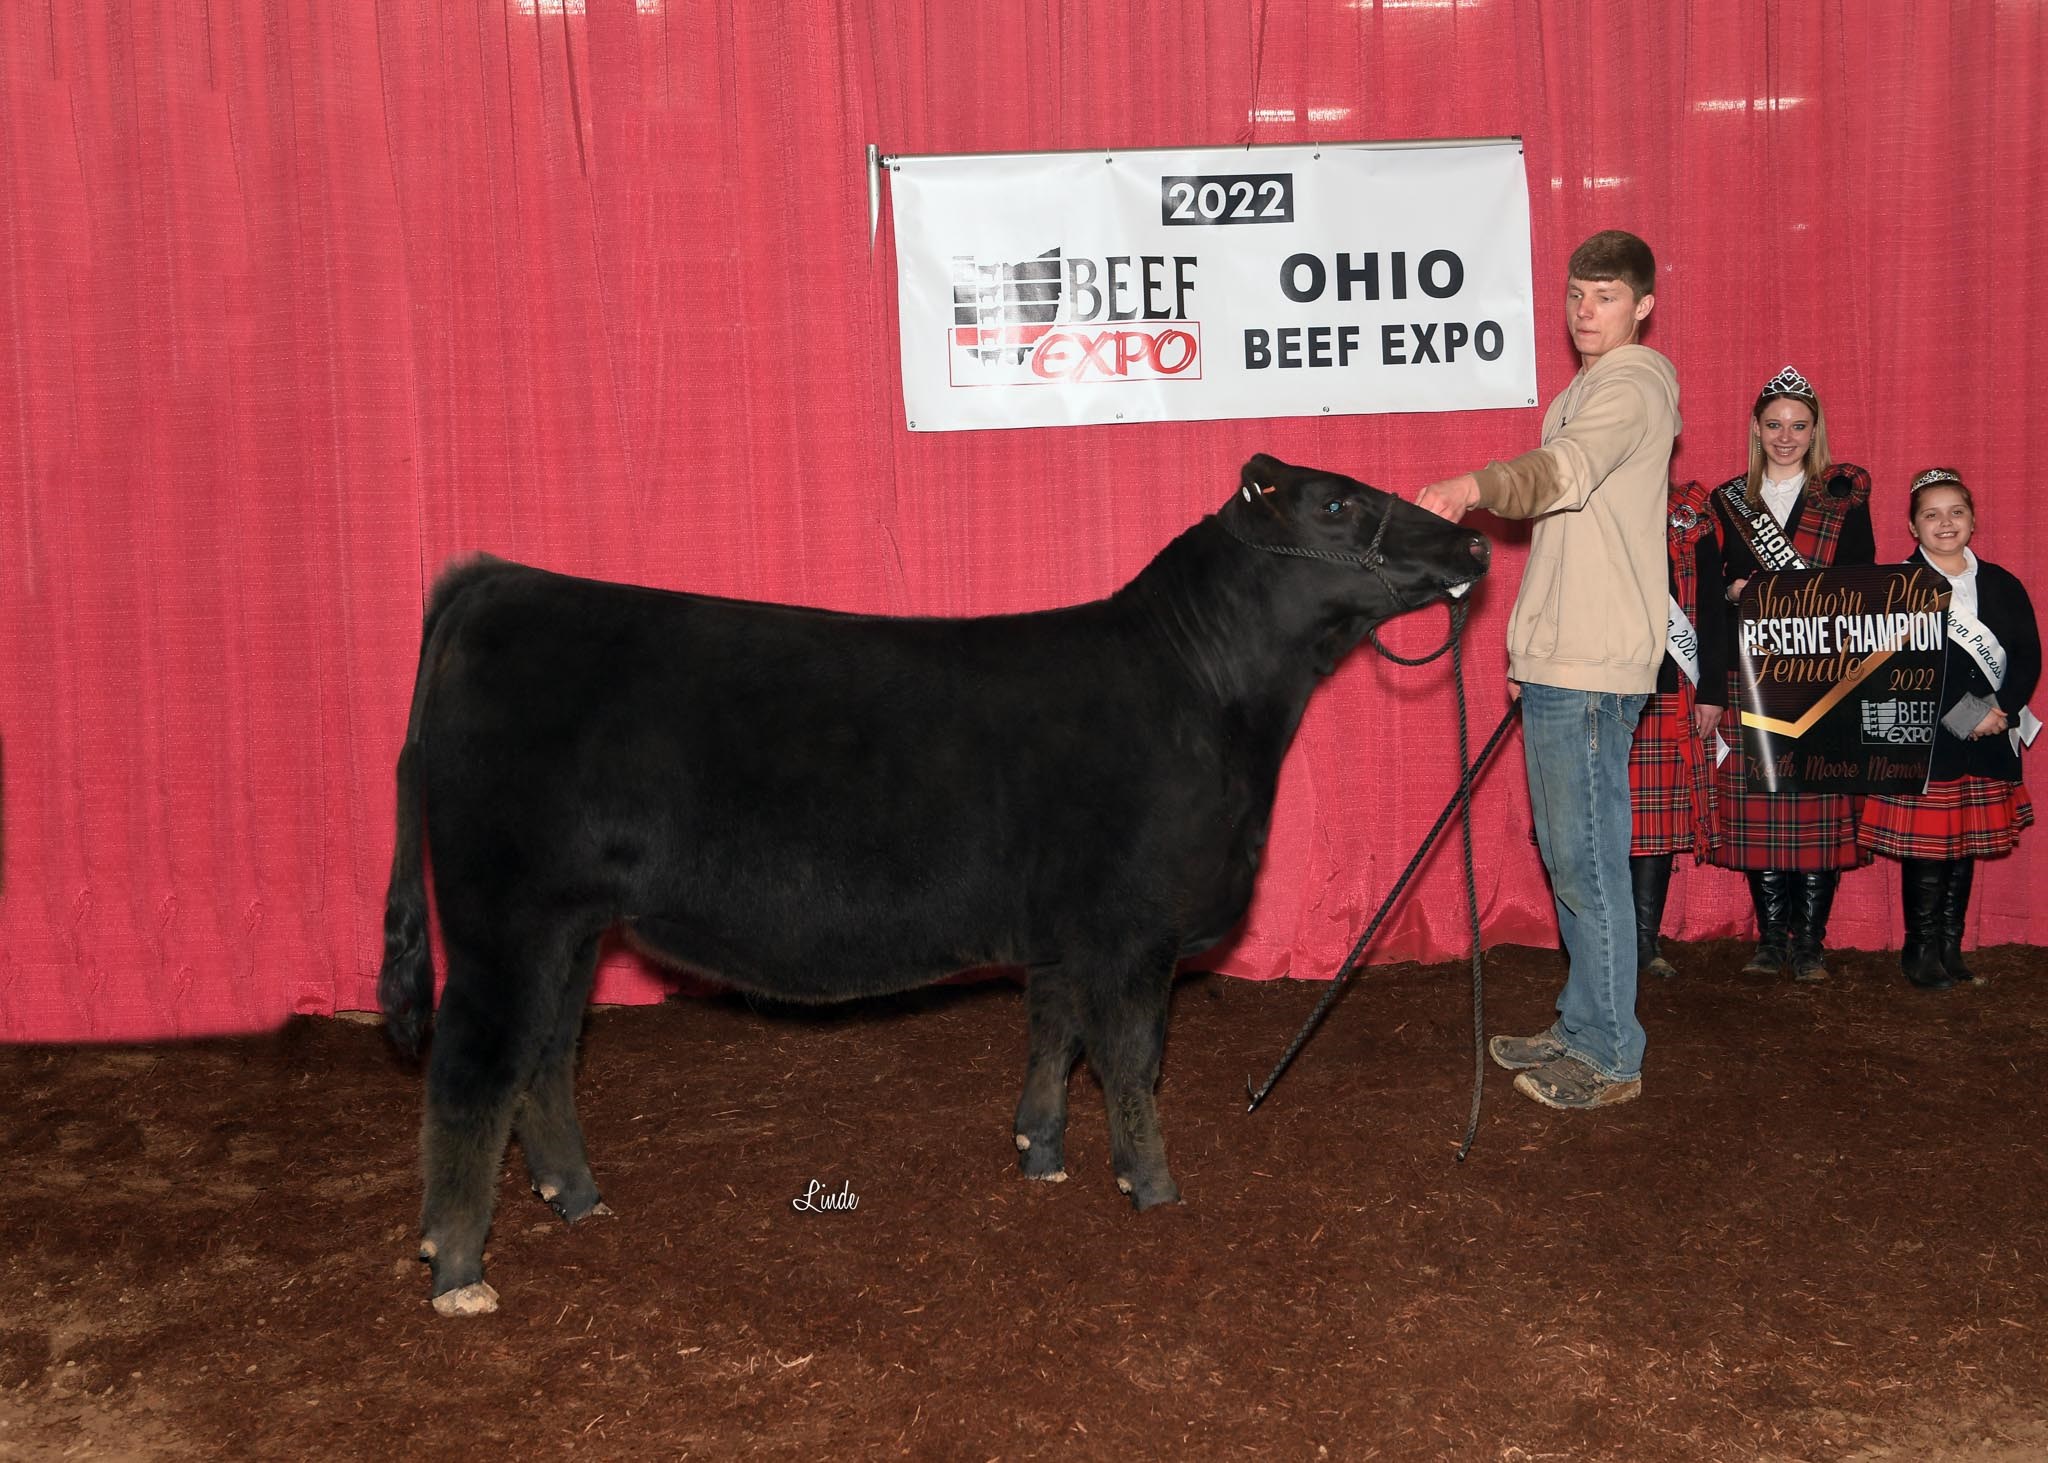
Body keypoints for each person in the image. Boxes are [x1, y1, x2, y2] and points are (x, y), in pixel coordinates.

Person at [1416, 229, 1679, 1110]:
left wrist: (1476, 486)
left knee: (1591, 864)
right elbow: (1567, 541)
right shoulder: (1582, 391)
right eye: (1575, 295)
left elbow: (1560, 477)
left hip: (1597, 664)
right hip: (1569, 657)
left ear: (1642, 304)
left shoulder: (1634, 385)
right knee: (1570, 857)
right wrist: (1530, 651)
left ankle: (1612, 1054)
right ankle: (1582, 1018)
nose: (1584, 311)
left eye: (1604, 296)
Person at [1709, 366, 1873, 982]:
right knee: (1762, 804)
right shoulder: (1727, 501)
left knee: (1819, 802)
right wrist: (1734, 588)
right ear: (1756, 429)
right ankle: (1771, 938)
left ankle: (1811, 941)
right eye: (1774, 425)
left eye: (1798, 427)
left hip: (1822, 667)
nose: (1785, 437)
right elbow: (1708, 585)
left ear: (1814, 431)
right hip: (1751, 670)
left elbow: (1863, 585)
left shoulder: (1841, 498)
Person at [1858, 469, 2039, 988]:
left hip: (1990, 738)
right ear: (1913, 527)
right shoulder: (1896, 587)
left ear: (1973, 519)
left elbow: (2027, 655)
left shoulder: (2002, 583)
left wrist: (1999, 709)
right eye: (1931, 514)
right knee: (1930, 849)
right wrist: (1966, 714)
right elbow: (1893, 665)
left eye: (1955, 512)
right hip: (1928, 740)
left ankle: (1950, 947)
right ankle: (1919, 952)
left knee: (1964, 848)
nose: (1945, 523)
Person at [1628, 479, 1729, 980]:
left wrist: (1712, 687)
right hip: (1601, 684)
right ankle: (1606, 942)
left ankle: (1644, 944)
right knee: (1602, 823)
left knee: (1657, 826)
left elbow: (1713, 604)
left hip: (1670, 689)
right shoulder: (1588, 506)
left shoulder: (1689, 515)